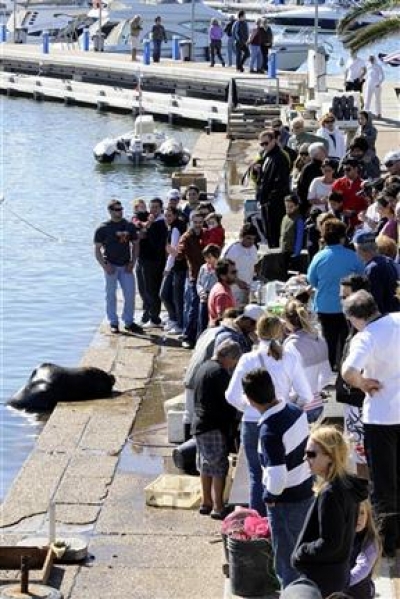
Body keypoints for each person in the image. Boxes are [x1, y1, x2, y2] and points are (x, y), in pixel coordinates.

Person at [226, 313, 313, 516]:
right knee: (287, 472)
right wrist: (288, 404)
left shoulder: (248, 359)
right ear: (281, 332)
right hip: (282, 420)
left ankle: (259, 526)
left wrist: (249, 406)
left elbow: (231, 395)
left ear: (257, 333)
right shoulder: (290, 357)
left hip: (252, 422)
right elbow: (306, 395)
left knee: (257, 477)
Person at [242, 368, 314, 589]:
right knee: (304, 554)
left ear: (250, 400)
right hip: (305, 491)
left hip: (285, 502)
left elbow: (277, 475)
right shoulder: (295, 411)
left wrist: (269, 496)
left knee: (286, 562)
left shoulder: (269, 431)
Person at [342, 290, 400, 557]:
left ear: (355, 318)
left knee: (382, 480)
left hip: (381, 417)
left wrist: (362, 383)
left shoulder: (365, 338)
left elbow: (348, 371)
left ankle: (388, 541)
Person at [292, 425, 369, 596]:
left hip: (323, 579)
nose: (306, 458)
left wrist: (302, 551)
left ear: (330, 456)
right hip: (336, 575)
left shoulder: (331, 493)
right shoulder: (346, 486)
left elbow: (330, 543)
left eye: (312, 454)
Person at [183, 305, 263, 439]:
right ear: (248, 322)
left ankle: (189, 452)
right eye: (254, 327)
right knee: (197, 421)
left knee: (190, 416)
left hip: (197, 376)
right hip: (201, 381)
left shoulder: (218, 328)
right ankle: (186, 454)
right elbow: (229, 367)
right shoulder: (228, 337)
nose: (253, 330)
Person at [192, 340, 242, 519]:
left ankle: (206, 502)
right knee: (219, 466)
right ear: (228, 357)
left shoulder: (204, 367)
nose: (233, 366)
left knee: (205, 465)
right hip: (213, 425)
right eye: (234, 362)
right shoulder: (219, 373)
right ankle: (218, 507)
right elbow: (229, 400)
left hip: (199, 424)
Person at [307, 218, 364, 369]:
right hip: (348, 306)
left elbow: (311, 280)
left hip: (325, 305)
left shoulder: (319, 257)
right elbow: (362, 277)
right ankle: (346, 367)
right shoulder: (352, 256)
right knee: (348, 339)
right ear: (342, 237)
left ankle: (329, 368)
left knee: (328, 340)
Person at [335, 274, 371, 468]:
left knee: (361, 456)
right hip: (354, 400)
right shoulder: (354, 326)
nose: (341, 302)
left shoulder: (365, 331)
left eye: (344, 297)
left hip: (359, 401)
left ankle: (366, 496)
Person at [94, 199, 142, 335]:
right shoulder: (103, 228)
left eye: (121, 209)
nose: (120, 212)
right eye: (116, 209)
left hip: (126, 265)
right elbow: (97, 250)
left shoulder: (129, 226)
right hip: (111, 266)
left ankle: (128, 321)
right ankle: (113, 322)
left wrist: (133, 262)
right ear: (110, 211)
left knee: (130, 294)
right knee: (110, 295)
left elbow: (136, 244)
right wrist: (104, 266)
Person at [283, 299, 332, 423]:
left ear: (287, 320)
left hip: (300, 406)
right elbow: (326, 375)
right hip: (317, 404)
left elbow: (287, 380)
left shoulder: (291, 345)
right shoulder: (319, 339)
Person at [254, 128, 291, 248]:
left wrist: (269, 200)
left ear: (274, 141)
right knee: (269, 233)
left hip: (275, 203)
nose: (264, 146)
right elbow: (264, 179)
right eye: (262, 144)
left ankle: (277, 260)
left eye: (266, 143)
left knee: (275, 233)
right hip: (267, 202)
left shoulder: (279, 157)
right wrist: (258, 172)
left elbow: (280, 182)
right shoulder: (267, 156)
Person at [136, 197, 168, 328]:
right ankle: (146, 315)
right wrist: (144, 228)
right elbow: (135, 220)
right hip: (142, 259)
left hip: (154, 261)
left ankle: (154, 318)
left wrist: (146, 231)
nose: (153, 210)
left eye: (156, 207)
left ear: (161, 208)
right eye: (152, 207)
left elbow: (157, 244)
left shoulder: (161, 223)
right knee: (143, 289)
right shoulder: (147, 220)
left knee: (152, 290)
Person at [176, 210, 205, 349]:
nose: (198, 225)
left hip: (209, 275)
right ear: (191, 223)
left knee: (204, 308)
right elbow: (180, 254)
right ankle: (188, 336)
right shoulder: (186, 237)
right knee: (194, 306)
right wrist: (175, 253)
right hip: (194, 275)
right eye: (195, 222)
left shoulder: (207, 234)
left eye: (200, 222)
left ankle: (201, 335)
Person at [352, 230, 399, 313]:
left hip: (385, 319)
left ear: (359, 249)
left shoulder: (373, 269)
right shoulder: (388, 261)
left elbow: (374, 302)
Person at [345, 499, 381, 599]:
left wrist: (341, 583)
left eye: (362, 513)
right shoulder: (341, 536)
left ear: (368, 516)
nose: (358, 518)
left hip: (360, 593)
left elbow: (362, 569)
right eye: (354, 513)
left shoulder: (370, 541)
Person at [159, 205, 187, 334]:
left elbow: (173, 250)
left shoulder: (176, 228)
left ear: (175, 216)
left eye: (169, 215)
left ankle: (179, 324)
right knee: (166, 294)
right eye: (165, 215)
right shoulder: (173, 226)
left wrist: (167, 268)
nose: (167, 218)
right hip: (174, 266)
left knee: (175, 296)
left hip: (178, 268)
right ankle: (173, 318)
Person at [222, 223, 258, 306]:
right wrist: (237, 281)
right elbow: (223, 269)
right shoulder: (233, 249)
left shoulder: (253, 248)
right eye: (248, 238)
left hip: (247, 289)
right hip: (232, 290)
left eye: (253, 239)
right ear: (241, 236)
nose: (251, 241)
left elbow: (254, 264)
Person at [332, 158, 367, 233]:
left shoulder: (363, 185)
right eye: (344, 169)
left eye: (348, 169)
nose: (345, 172)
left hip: (359, 224)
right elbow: (332, 202)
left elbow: (367, 205)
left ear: (356, 169)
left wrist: (354, 212)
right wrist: (340, 210)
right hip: (341, 223)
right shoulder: (338, 183)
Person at [297, 142, 328, 215]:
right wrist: (308, 206)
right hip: (312, 208)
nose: (326, 152)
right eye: (323, 150)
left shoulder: (326, 165)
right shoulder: (309, 169)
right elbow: (302, 190)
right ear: (317, 154)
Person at [196, 244, 221, 336]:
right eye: (206, 258)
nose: (207, 260)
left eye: (210, 257)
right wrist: (201, 292)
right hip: (204, 298)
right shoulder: (203, 268)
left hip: (214, 299)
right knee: (202, 322)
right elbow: (199, 283)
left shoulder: (219, 269)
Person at [279, 193, 305, 277]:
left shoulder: (298, 219)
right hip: (284, 249)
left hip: (293, 252)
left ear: (296, 206)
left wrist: (296, 252)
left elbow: (299, 237)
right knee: (284, 272)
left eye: (291, 207)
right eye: (286, 206)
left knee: (293, 273)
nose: (288, 209)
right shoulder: (284, 218)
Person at [207, 258, 237, 327]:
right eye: (233, 272)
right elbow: (222, 320)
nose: (236, 275)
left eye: (236, 271)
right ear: (222, 276)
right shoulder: (222, 294)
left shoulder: (219, 286)